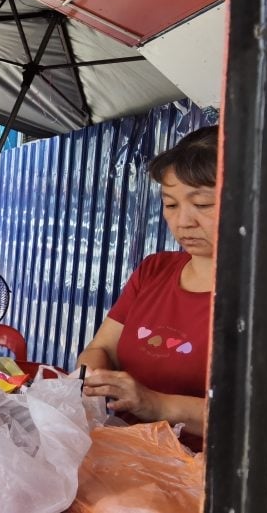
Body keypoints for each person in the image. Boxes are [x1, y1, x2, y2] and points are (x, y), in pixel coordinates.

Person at [79, 126, 217, 451]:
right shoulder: (154, 270)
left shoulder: (266, 297)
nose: (183, 222)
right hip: (122, 452)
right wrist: (95, 379)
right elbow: (103, 348)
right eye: (171, 205)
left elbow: (263, 418)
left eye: (202, 204)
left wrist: (156, 404)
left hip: (199, 471)